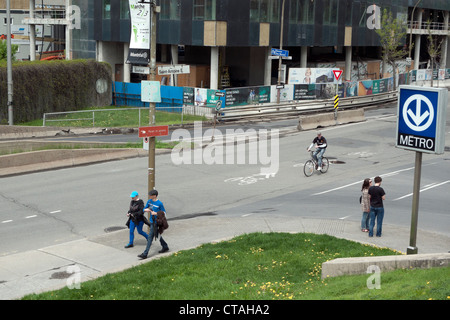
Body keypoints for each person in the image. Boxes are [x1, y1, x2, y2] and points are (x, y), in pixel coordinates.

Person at [138, 189, 169, 259]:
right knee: (157, 235)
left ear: (154, 196)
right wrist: (147, 210)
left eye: (151, 195)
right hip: (152, 221)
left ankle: (145, 254)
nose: (149, 196)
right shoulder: (149, 201)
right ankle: (165, 246)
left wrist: (156, 213)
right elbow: (144, 209)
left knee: (150, 237)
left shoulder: (159, 203)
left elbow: (164, 213)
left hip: (157, 222)